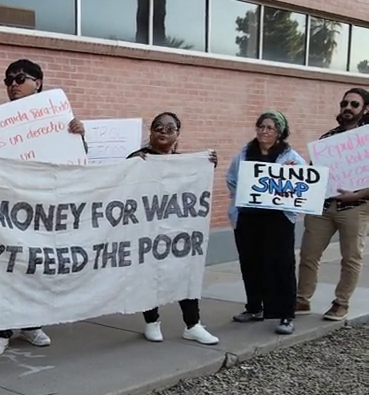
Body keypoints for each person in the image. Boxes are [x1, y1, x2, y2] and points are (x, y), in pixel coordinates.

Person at [0, 59, 86, 357]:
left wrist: (78, 135)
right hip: (5, 208)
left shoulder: (61, 120)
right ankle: (0, 330)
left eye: (19, 78)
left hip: (41, 207)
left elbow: (77, 162)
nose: (12, 84)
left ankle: (31, 324)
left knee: (35, 266)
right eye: (7, 80)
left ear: (38, 82)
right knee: (3, 269)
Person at [128, 113, 219, 345]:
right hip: (147, 233)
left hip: (177, 235)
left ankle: (193, 324)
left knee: (184, 272)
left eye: (170, 128)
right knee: (149, 275)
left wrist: (206, 165)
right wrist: (131, 164)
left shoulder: (186, 164)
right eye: (158, 127)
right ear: (150, 132)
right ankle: (152, 322)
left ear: (178, 134)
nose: (163, 132)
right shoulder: (138, 158)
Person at [226, 110, 305, 335]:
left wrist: (292, 175)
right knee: (250, 263)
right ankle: (254, 308)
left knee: (281, 265)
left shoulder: (289, 157)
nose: (264, 131)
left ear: (279, 133)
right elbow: (231, 179)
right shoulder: (244, 153)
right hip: (248, 218)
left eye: (270, 127)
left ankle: (285, 315)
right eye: (261, 126)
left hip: (278, 219)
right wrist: (242, 195)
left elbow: (302, 182)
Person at [296, 88, 369, 321]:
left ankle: (341, 302)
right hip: (323, 208)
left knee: (351, 258)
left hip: (356, 207)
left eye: (354, 104)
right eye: (344, 103)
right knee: (308, 254)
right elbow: (313, 174)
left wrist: (358, 195)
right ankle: (301, 299)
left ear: (365, 109)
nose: (347, 107)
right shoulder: (327, 139)